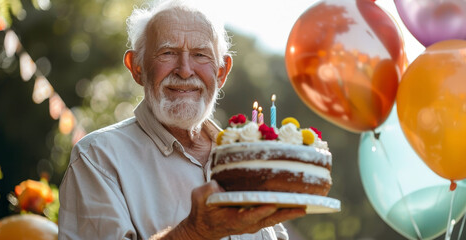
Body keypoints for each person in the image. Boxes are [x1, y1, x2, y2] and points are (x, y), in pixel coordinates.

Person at [58, 0, 306, 239]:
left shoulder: (249, 160)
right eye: (167, 53)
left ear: (221, 72)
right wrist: (193, 232)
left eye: (200, 55)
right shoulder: (98, 158)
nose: (185, 70)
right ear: (137, 67)